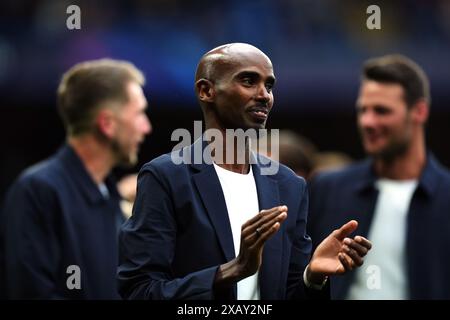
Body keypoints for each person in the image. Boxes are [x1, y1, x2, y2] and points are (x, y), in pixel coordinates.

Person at [118, 43, 371, 300]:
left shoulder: (289, 185)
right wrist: (232, 270)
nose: (264, 95)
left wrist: (313, 277)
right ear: (206, 90)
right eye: (249, 81)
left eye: (269, 85)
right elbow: (140, 290)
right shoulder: (166, 177)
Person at [0, 59, 152, 299]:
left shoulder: (109, 196)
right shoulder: (37, 190)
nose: (147, 127)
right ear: (107, 124)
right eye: (139, 113)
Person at [307, 54, 450, 299]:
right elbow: (298, 284)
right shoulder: (327, 189)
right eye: (363, 110)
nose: (367, 121)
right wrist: (313, 278)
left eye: (381, 111)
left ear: (419, 111)